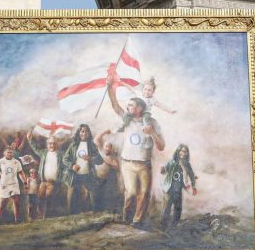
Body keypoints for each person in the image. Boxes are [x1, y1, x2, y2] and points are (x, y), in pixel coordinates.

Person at [105, 70, 165, 226]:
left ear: (140, 108)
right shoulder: (127, 120)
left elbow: (161, 146)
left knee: (144, 194)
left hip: (144, 165)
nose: (128, 107)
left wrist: (152, 133)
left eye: (131, 105)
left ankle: (137, 221)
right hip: (128, 163)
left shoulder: (152, 123)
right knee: (131, 192)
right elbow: (115, 105)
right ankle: (127, 216)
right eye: (128, 105)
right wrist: (110, 87)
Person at [62, 124, 103, 215]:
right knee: (71, 197)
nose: (84, 133)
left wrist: (91, 158)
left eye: (86, 131)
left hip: (88, 174)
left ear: (89, 133)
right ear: (79, 133)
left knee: (94, 197)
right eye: (82, 131)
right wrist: (72, 166)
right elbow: (65, 159)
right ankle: (71, 218)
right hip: (74, 175)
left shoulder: (92, 145)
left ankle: (95, 217)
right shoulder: (73, 145)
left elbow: (100, 160)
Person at [160, 143, 197, 228]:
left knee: (178, 209)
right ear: (178, 151)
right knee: (166, 209)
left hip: (178, 190)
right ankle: (163, 227)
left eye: (185, 152)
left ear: (187, 153)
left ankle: (174, 227)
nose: (183, 153)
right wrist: (162, 169)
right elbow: (164, 171)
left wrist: (194, 187)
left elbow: (191, 175)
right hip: (169, 189)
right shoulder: (171, 161)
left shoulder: (187, 164)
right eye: (182, 151)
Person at [0, 146, 25, 223]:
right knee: (3, 202)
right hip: (4, 184)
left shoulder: (16, 162)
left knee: (17, 202)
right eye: (8, 152)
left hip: (14, 184)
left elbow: (21, 173)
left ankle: (17, 219)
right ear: (4, 153)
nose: (10, 154)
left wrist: (25, 182)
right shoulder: (0, 162)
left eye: (11, 152)